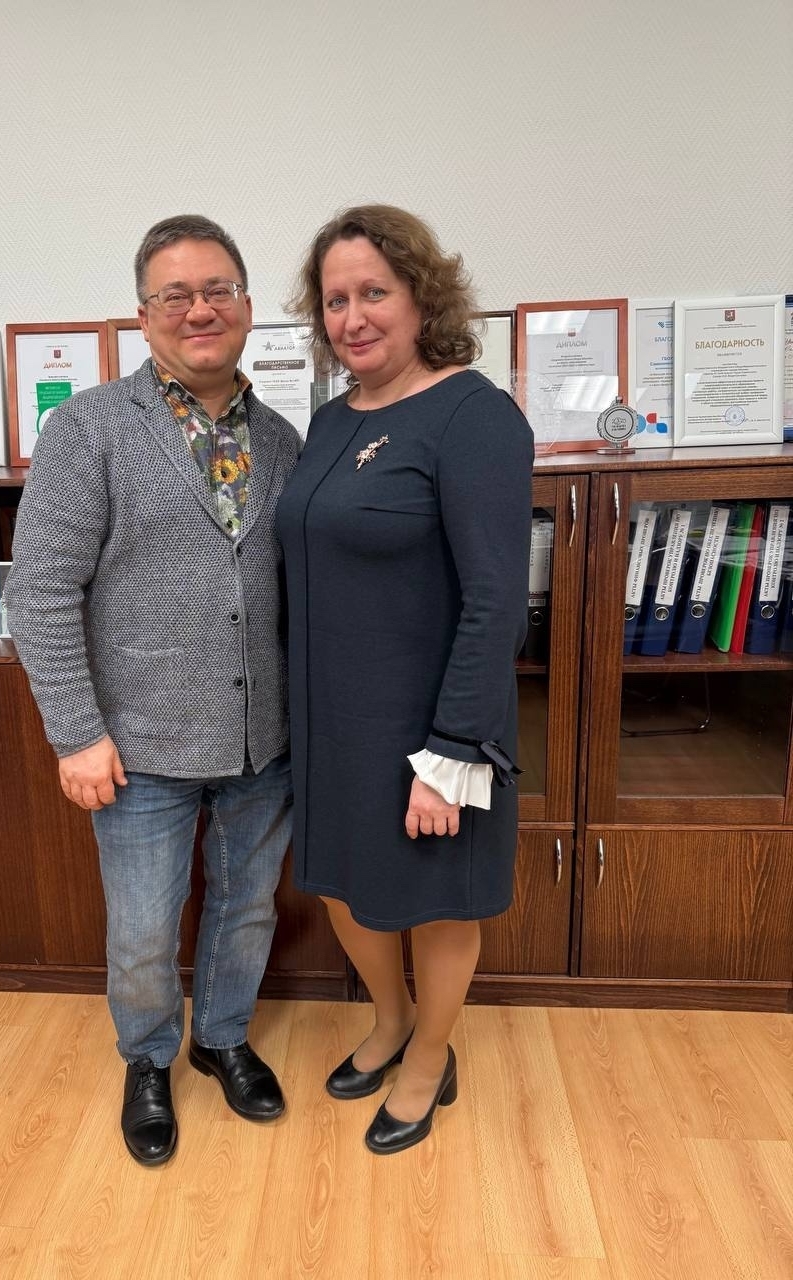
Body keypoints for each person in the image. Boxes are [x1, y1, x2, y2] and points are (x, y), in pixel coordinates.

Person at [6, 215, 301, 1166]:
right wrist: (75, 733)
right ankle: (147, 1058)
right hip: (137, 746)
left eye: (217, 290)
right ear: (143, 316)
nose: (198, 309)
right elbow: (40, 590)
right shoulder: (87, 428)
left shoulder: (284, 439)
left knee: (248, 908)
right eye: (175, 294)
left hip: (263, 739)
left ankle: (221, 1038)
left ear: (246, 306)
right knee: (141, 930)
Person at [277, 205, 533, 1155]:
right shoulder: (328, 420)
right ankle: (388, 1022)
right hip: (332, 721)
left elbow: (496, 600)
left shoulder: (474, 417)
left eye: (373, 293)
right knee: (345, 888)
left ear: (422, 296)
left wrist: (450, 754)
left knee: (436, 902)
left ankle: (429, 1056)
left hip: (430, 724)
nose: (352, 318)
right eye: (334, 299)